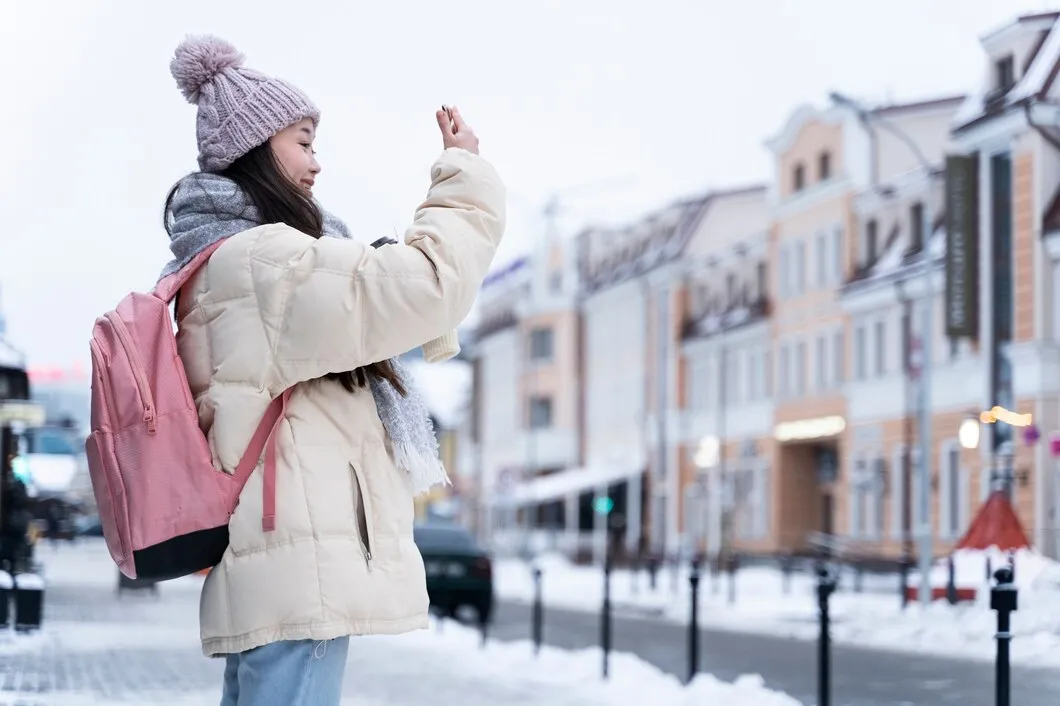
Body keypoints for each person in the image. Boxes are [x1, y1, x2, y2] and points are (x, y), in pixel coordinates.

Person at [161, 35, 505, 705]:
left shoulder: (225, 261)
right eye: (305, 141)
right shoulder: (267, 263)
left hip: (274, 557)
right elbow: (425, 286)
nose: (317, 163)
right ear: (257, 147)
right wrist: (463, 174)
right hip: (299, 562)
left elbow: (376, 307)